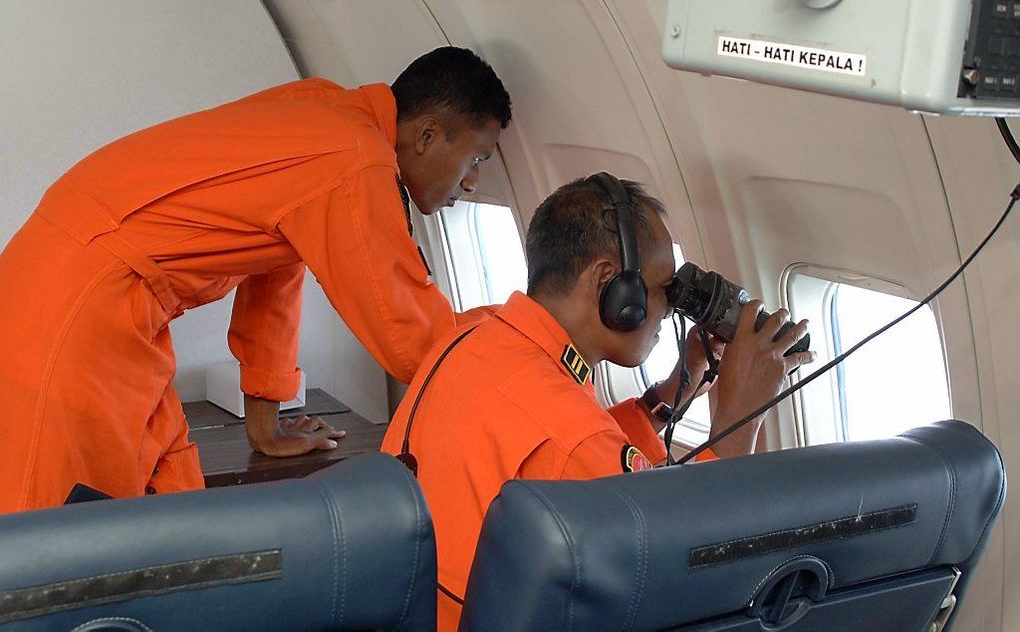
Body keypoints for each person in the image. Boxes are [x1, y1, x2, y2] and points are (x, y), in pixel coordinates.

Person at [0, 46, 511, 513]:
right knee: (60, 537)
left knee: (168, 493)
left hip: (77, 281)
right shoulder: (354, 159)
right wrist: (521, 346)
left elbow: (279, 267)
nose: (471, 181)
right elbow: (415, 342)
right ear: (425, 135)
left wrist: (265, 423)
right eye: (477, 159)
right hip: (74, 309)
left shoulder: (324, 109)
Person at [381, 174, 815, 631]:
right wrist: (742, 417)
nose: (668, 310)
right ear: (612, 285)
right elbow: (690, 556)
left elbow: (572, 449)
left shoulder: (477, 333)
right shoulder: (567, 432)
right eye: (661, 289)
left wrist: (676, 388)